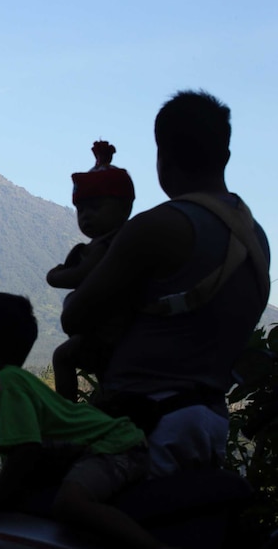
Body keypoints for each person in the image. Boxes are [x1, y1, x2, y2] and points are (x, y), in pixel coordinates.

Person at [61, 90, 271, 477]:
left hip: (144, 423)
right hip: (207, 420)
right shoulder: (255, 237)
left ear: (163, 157)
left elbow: (75, 317)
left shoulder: (158, 227)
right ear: (224, 156)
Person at [0, 292, 175, 549]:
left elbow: (25, 451)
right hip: (107, 445)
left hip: (115, 445)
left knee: (71, 504)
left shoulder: (7, 383)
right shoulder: (9, 385)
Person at [47, 140, 135, 401]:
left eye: (95, 208)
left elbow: (79, 275)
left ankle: (67, 413)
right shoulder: (112, 243)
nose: (86, 216)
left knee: (63, 357)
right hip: (106, 332)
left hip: (109, 332)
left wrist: (54, 275)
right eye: (81, 209)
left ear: (124, 207)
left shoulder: (109, 246)